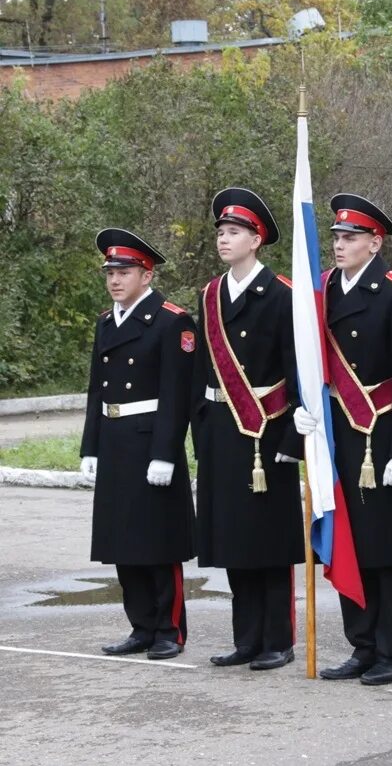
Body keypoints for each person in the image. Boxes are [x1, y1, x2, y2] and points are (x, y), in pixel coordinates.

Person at [294, 194, 392, 686]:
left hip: (382, 434)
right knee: (348, 540)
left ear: (375, 242)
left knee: (386, 549)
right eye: (335, 237)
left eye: (350, 238)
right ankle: (362, 645)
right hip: (339, 435)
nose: (339, 245)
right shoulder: (322, 289)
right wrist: (305, 412)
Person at [192, 188, 303, 672]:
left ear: (256, 240)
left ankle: (276, 639)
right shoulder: (211, 295)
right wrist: (201, 430)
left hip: (267, 433)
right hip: (222, 428)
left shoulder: (282, 295)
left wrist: (293, 441)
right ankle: (246, 638)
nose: (224, 239)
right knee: (234, 537)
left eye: (233, 232)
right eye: (220, 232)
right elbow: (201, 371)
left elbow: (297, 370)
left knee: (269, 541)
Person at [80, 229, 197, 660]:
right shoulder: (106, 322)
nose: (114, 279)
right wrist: (89, 447)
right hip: (114, 440)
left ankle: (168, 629)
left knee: (157, 540)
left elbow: (177, 393)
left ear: (146, 276)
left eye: (124, 271)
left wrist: (166, 452)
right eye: (110, 272)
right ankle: (141, 625)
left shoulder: (172, 321)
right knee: (122, 539)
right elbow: (97, 391)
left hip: (150, 441)